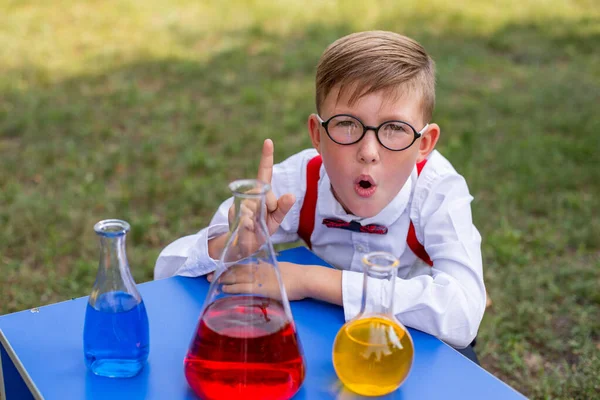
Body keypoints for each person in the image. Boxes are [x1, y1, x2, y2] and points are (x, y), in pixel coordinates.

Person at [154, 31, 486, 361]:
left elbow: (463, 316)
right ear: (318, 134)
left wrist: (311, 280)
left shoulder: (438, 191)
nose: (368, 152)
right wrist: (232, 245)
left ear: (424, 145)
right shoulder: (296, 182)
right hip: (324, 337)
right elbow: (166, 272)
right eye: (347, 124)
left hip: (417, 341)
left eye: (395, 129)